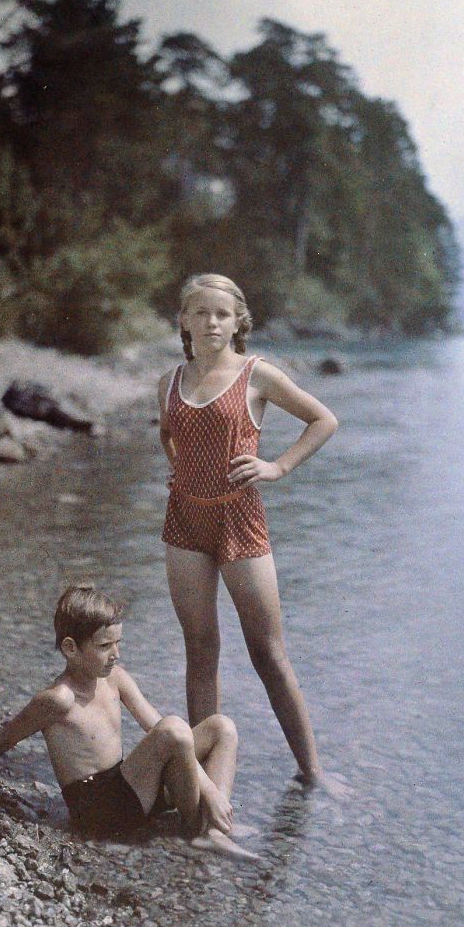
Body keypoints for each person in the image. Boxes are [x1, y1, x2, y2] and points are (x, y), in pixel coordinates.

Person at [158, 273, 348, 797]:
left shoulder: (257, 375)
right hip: (184, 523)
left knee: (268, 653)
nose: (211, 322)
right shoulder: (170, 380)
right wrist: (181, 471)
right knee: (201, 650)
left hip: (241, 520)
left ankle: (313, 773)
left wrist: (278, 467)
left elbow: (323, 420)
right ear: (184, 320)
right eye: (200, 312)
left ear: (238, 321)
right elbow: (168, 435)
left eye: (221, 313)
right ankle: (200, 783)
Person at [0, 583, 256, 860]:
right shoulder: (57, 700)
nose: (116, 654)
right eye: (105, 645)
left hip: (129, 790)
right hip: (101, 811)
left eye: (118, 643)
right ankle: (200, 829)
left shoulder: (115, 677)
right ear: (71, 648)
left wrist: (207, 788)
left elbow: (156, 726)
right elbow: (1, 740)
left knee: (221, 727)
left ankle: (214, 827)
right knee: (176, 729)